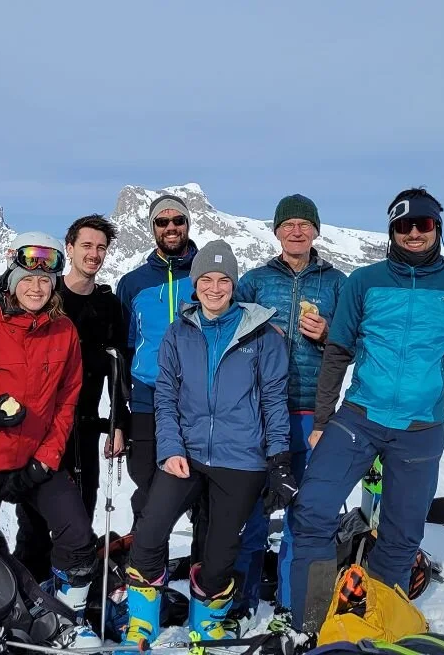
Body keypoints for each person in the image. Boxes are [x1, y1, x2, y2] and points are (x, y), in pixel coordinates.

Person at [286, 187, 444, 635]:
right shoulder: (365, 281)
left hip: (420, 430)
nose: (413, 233)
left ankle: (378, 625)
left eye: (422, 224)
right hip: (359, 417)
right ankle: (310, 625)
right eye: (403, 226)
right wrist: (323, 421)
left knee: (402, 538)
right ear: (392, 231)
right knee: (313, 509)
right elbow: (339, 350)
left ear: (436, 228)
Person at [123, 240, 293, 647]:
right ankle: (141, 624)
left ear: (234, 285)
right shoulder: (179, 333)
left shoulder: (263, 336)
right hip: (187, 455)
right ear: (194, 284)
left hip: (242, 461)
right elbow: (164, 397)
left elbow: (273, 400)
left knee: (220, 554)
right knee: (149, 532)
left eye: (223, 280)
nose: (215, 288)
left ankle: (206, 624)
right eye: (206, 280)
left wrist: (279, 459)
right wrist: (171, 449)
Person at [0, 233, 101, 648]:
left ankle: (68, 619)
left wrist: (46, 459)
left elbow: (67, 401)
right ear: (12, 279)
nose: (36, 288)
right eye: (27, 279)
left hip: (37, 459)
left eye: (45, 281)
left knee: (76, 535)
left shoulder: (64, 331)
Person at [230, 194, 345, 631]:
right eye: (288, 224)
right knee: (251, 508)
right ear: (276, 231)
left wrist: (330, 334)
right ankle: (240, 599)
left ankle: (290, 603)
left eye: (304, 224)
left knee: (306, 511)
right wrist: (259, 332)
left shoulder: (337, 283)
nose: (296, 231)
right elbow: (226, 332)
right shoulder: (255, 281)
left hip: (316, 414)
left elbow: (356, 344)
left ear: (316, 230)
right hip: (261, 411)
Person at [12, 215, 130, 581]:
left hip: (85, 428)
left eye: (101, 248)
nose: (94, 254)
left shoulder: (108, 305)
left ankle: (70, 597)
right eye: (87, 246)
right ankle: (30, 599)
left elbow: (118, 371)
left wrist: (119, 424)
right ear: (70, 248)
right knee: (33, 524)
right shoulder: (44, 293)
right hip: (39, 430)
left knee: (82, 513)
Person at [115, 193, 199, 522]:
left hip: (197, 393)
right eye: (162, 222)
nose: (171, 227)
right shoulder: (133, 283)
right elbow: (124, 348)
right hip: (147, 392)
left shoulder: (206, 273)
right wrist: (120, 413)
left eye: (178, 220)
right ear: (153, 228)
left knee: (200, 478)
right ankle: (147, 565)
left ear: (188, 224)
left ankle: (201, 565)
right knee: (146, 475)